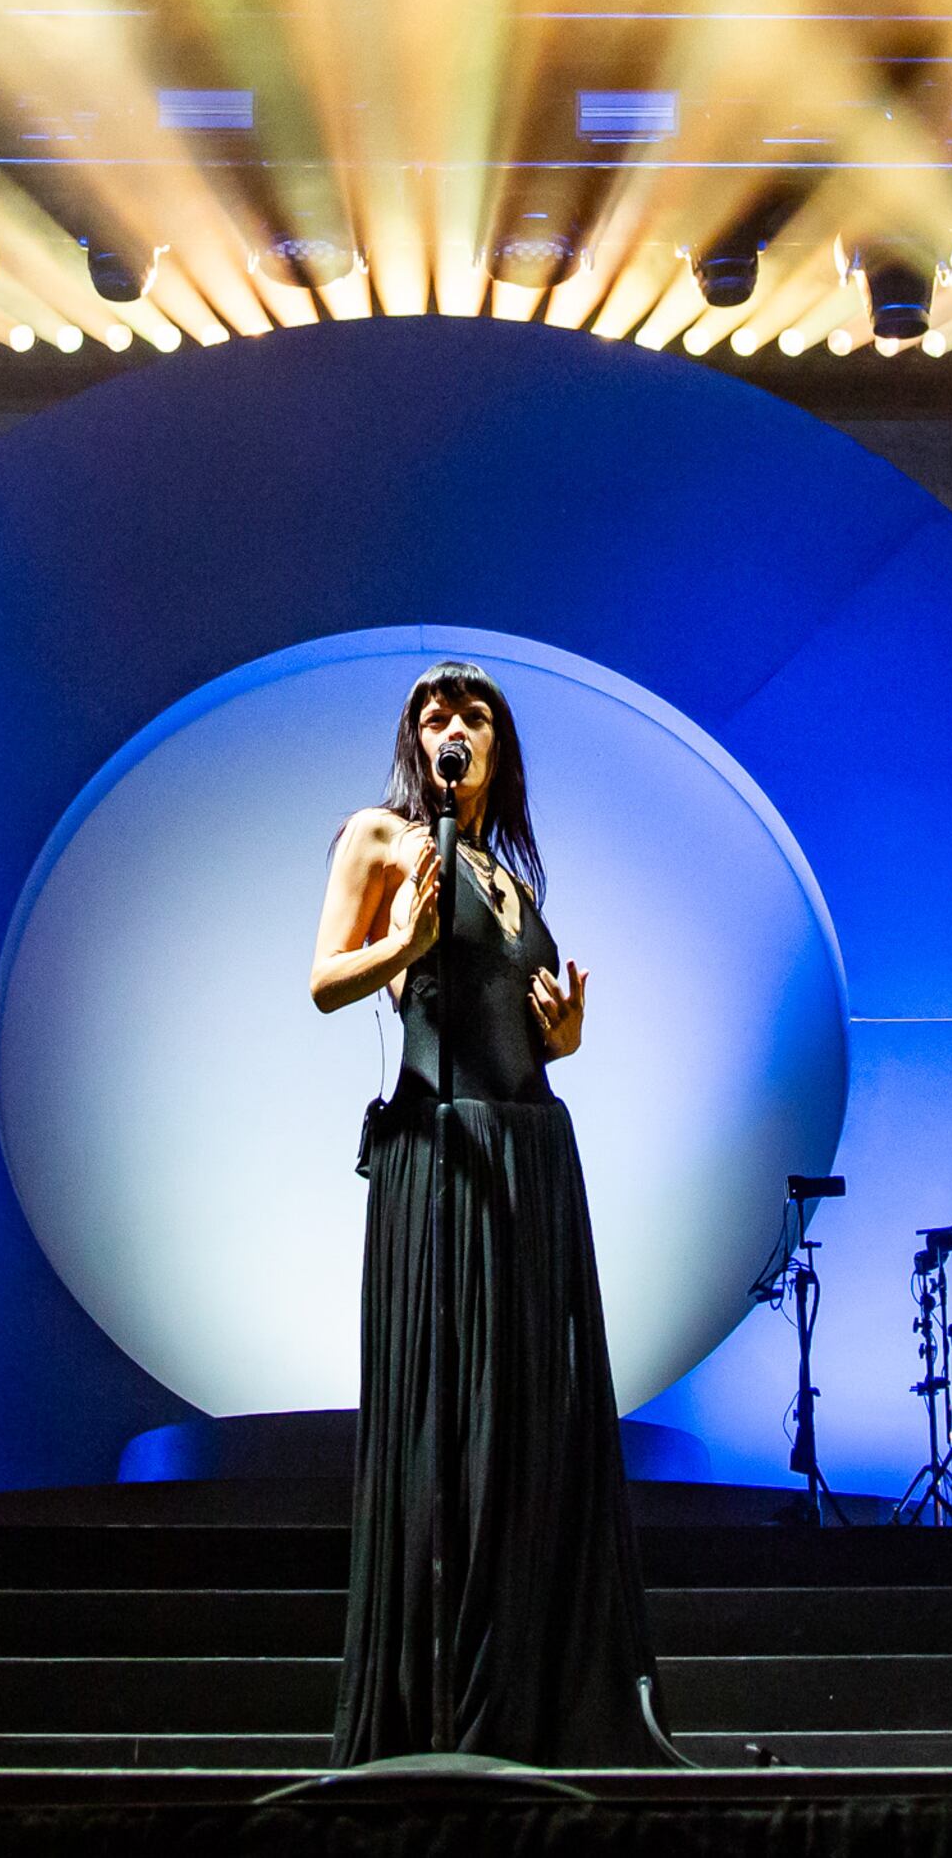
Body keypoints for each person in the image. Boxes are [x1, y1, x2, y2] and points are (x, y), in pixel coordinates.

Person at [308, 662, 677, 1768]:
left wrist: (560, 1039)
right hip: (444, 1154)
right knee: (452, 1426)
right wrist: (405, 947)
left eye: (472, 714)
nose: (450, 726)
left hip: (533, 1154)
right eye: (433, 713)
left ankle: (539, 1700)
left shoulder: (515, 878)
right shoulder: (380, 839)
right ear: (415, 740)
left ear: (499, 746)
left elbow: (520, 1023)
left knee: (533, 1428)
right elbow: (326, 981)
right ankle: (435, 1716)